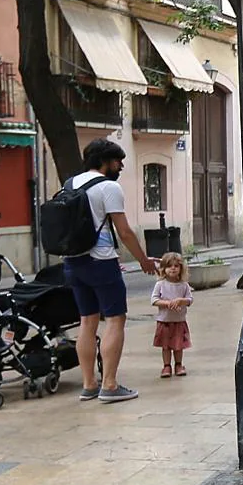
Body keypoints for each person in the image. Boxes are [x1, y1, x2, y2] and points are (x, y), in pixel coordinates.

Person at [64, 138, 158, 403]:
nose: (121, 166)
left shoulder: (70, 184)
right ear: (105, 162)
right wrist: (143, 260)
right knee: (116, 320)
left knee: (87, 321)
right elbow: (124, 231)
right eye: (118, 161)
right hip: (101, 261)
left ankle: (89, 384)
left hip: (73, 262)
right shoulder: (109, 187)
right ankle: (110, 385)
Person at [152, 252, 194, 378]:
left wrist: (181, 301)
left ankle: (178, 364)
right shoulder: (160, 285)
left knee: (178, 345)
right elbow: (154, 300)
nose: (173, 268)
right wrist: (167, 303)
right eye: (169, 266)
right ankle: (166, 366)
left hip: (179, 320)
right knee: (165, 346)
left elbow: (190, 300)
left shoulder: (184, 285)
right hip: (164, 321)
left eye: (176, 266)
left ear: (181, 269)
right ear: (163, 269)